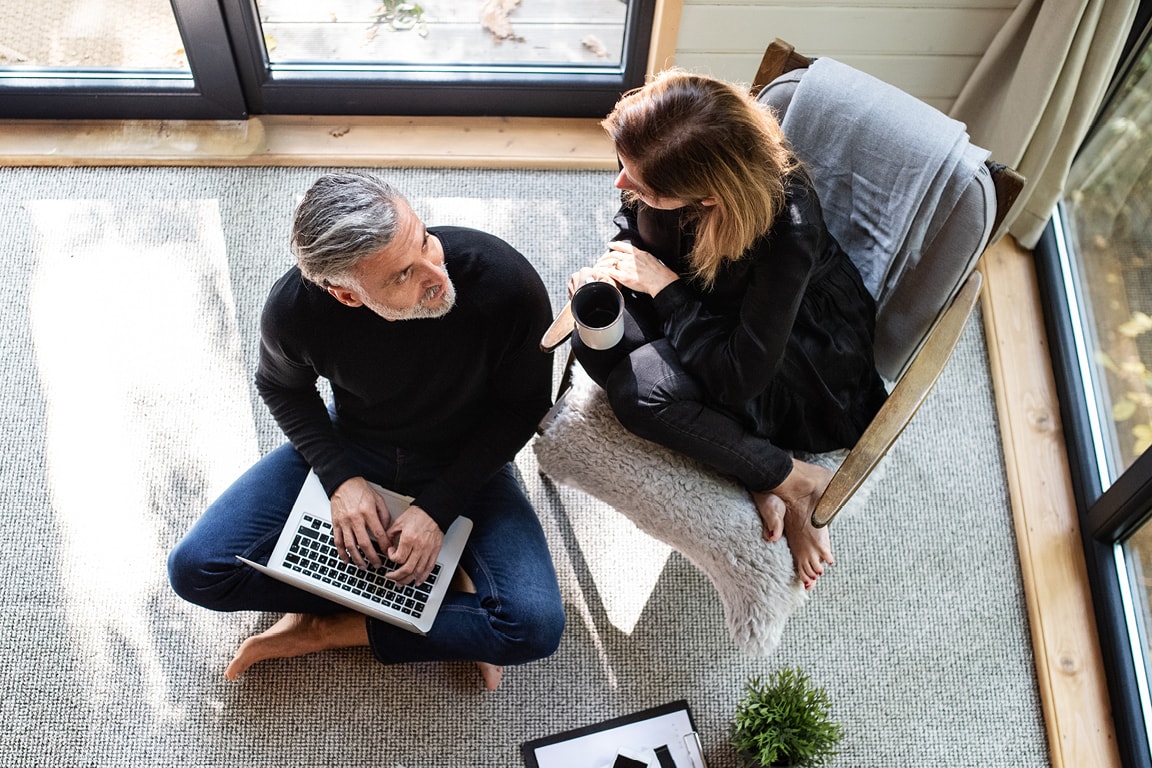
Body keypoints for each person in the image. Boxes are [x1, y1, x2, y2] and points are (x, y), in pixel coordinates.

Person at [168, 171, 565, 689]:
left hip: (469, 458)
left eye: (424, 239)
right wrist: (340, 480)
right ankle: (443, 605)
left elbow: (524, 406)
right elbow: (281, 388)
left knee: (531, 628)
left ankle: (330, 629)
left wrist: (438, 510)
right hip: (356, 445)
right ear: (348, 296)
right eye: (402, 275)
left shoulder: (503, 280)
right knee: (197, 571)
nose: (436, 275)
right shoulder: (294, 311)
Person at [567, 71, 889, 590]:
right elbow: (632, 222)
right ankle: (774, 474)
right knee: (591, 335)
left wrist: (665, 290)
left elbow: (739, 377)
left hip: (788, 348)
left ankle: (791, 481)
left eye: (642, 185)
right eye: (623, 165)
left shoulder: (790, 227)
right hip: (691, 295)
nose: (621, 184)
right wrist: (617, 266)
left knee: (641, 395)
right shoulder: (653, 146)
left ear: (710, 199)